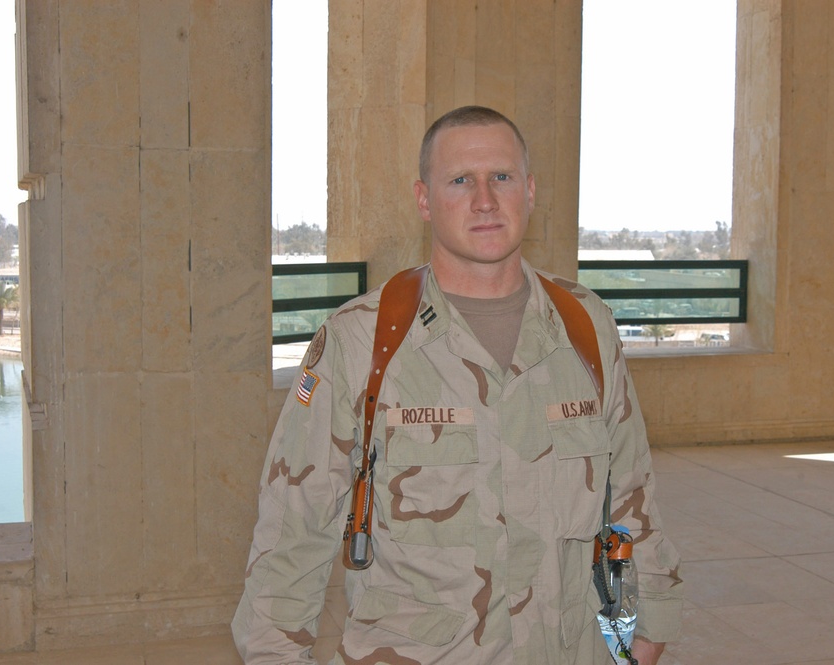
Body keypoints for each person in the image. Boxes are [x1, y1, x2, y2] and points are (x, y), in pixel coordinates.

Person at [232, 106, 683, 665]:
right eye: (460, 180)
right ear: (425, 199)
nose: (485, 199)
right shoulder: (360, 343)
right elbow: (293, 531)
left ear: (531, 190)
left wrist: (652, 619)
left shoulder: (585, 329)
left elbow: (632, 490)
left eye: (501, 176)